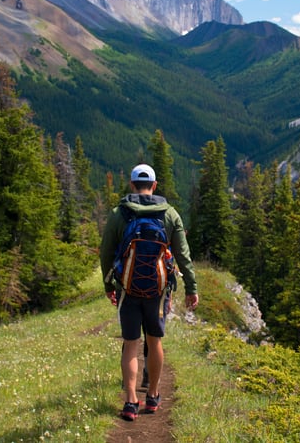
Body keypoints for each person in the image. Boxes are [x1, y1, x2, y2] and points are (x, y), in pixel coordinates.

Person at [100, 163, 199, 421]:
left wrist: (108, 285)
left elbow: (106, 252)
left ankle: (131, 401)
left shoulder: (119, 214)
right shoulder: (170, 214)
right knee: (154, 341)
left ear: (132, 185)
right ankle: (153, 395)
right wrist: (191, 287)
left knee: (131, 344)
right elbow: (183, 255)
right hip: (157, 291)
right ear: (154, 186)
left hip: (128, 288)